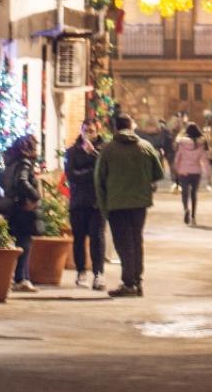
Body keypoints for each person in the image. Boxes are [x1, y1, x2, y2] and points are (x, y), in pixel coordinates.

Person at [94, 113, 165, 297]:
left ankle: (128, 283)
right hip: (140, 203)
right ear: (131, 126)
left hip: (116, 203)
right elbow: (158, 173)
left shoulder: (108, 150)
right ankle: (137, 281)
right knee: (136, 240)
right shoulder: (145, 146)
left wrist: (103, 205)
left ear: (115, 128)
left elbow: (99, 179)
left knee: (123, 243)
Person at [63, 126, 107, 290]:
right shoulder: (72, 151)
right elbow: (71, 175)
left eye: (92, 130)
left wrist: (93, 154)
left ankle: (98, 274)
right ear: (81, 131)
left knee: (97, 238)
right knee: (79, 238)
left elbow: (105, 171)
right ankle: (81, 272)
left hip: (97, 202)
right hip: (78, 202)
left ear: (97, 131)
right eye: (86, 130)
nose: (88, 133)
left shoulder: (103, 150)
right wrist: (92, 173)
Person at [0, 135, 42, 293]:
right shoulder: (24, 163)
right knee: (25, 243)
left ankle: (23, 277)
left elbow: (1, 181)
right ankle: (21, 278)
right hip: (23, 208)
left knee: (20, 243)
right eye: (34, 146)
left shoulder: (11, 163)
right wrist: (35, 196)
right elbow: (23, 181)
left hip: (13, 208)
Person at [172, 123, 207, 225]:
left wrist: (176, 169)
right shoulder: (200, 144)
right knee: (193, 194)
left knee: (185, 192)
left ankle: (186, 209)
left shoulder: (181, 143)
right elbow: (204, 159)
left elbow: (178, 158)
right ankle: (193, 216)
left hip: (184, 171)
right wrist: (208, 172)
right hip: (196, 172)